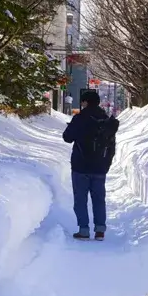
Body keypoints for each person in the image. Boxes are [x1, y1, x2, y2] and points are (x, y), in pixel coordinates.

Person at [62, 90, 120, 241]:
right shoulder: (106, 120)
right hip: (100, 166)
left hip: (80, 166)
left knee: (80, 199)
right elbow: (111, 145)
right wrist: (106, 163)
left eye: (82, 102)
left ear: (85, 102)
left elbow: (67, 137)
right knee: (99, 199)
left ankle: (84, 230)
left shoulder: (80, 118)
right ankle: (100, 230)